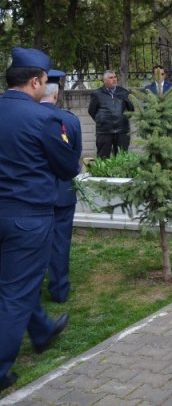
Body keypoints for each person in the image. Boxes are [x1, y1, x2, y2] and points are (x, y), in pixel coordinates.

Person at [0, 48, 81, 391]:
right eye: (45, 80)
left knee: (16, 281)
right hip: (27, 217)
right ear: (35, 81)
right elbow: (66, 167)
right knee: (16, 292)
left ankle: (42, 329)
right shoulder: (43, 119)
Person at [40, 70, 83, 303]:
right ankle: (59, 288)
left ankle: (32, 289)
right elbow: (75, 156)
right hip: (63, 191)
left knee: (32, 243)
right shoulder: (70, 120)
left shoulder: (29, 118)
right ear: (57, 94)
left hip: (36, 192)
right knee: (60, 241)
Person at [88, 70, 134, 158]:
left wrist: (123, 119)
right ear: (104, 80)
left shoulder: (124, 92)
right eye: (111, 78)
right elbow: (92, 111)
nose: (114, 79)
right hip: (104, 132)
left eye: (115, 77)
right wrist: (101, 120)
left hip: (122, 131)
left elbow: (131, 109)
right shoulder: (97, 94)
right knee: (103, 159)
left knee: (122, 158)